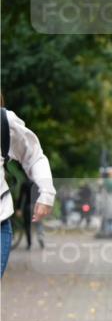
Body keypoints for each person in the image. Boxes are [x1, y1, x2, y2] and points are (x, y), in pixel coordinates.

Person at [1, 105, 54, 277]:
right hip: (21, 209)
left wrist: (46, 193)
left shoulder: (4, 122)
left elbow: (34, 157)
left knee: (34, 226)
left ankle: (34, 242)